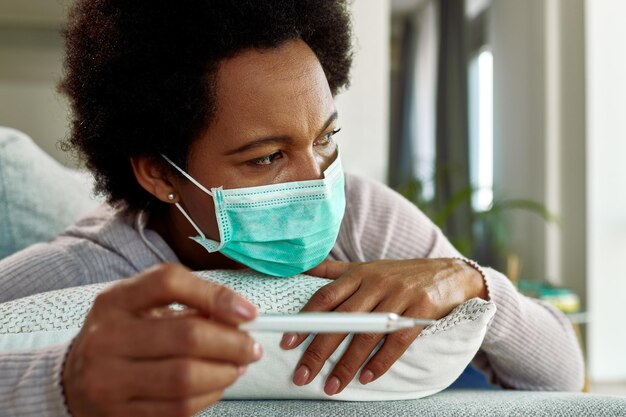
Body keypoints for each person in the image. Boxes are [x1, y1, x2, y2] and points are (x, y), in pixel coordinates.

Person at [0, 0, 584, 416]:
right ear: (158, 172)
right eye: (267, 157)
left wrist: (478, 285)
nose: (318, 180)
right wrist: (62, 382)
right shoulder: (78, 272)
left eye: (325, 138)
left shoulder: (366, 218)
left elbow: (563, 375)